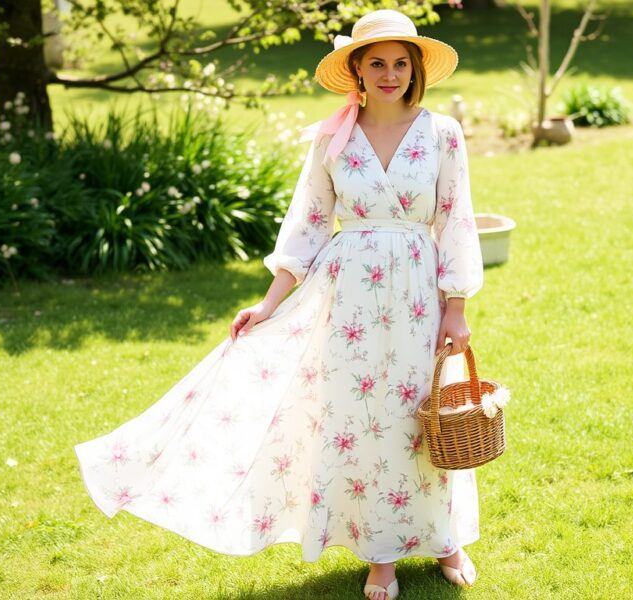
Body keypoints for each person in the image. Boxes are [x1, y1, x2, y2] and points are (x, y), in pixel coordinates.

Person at [74, 9, 483, 600]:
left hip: (417, 295)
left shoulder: (442, 132)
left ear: (416, 70)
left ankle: (445, 538)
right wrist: (268, 304)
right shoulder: (333, 138)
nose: (390, 73)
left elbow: (457, 221)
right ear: (357, 72)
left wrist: (456, 305)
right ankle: (380, 553)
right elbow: (310, 224)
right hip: (349, 300)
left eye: (401, 63)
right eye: (377, 63)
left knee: (422, 415)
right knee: (358, 422)